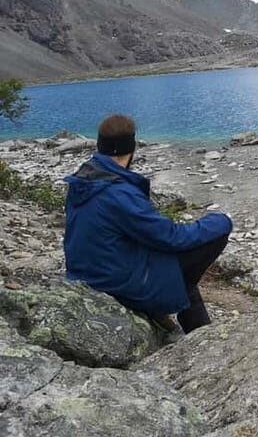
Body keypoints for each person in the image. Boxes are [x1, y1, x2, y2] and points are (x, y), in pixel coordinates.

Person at [63, 114, 233, 334]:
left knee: (181, 273)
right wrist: (222, 220)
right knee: (211, 239)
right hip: (114, 282)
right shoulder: (118, 193)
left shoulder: (83, 179)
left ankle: (196, 327)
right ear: (131, 147)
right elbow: (171, 237)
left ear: (100, 145)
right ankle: (199, 335)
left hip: (88, 271)